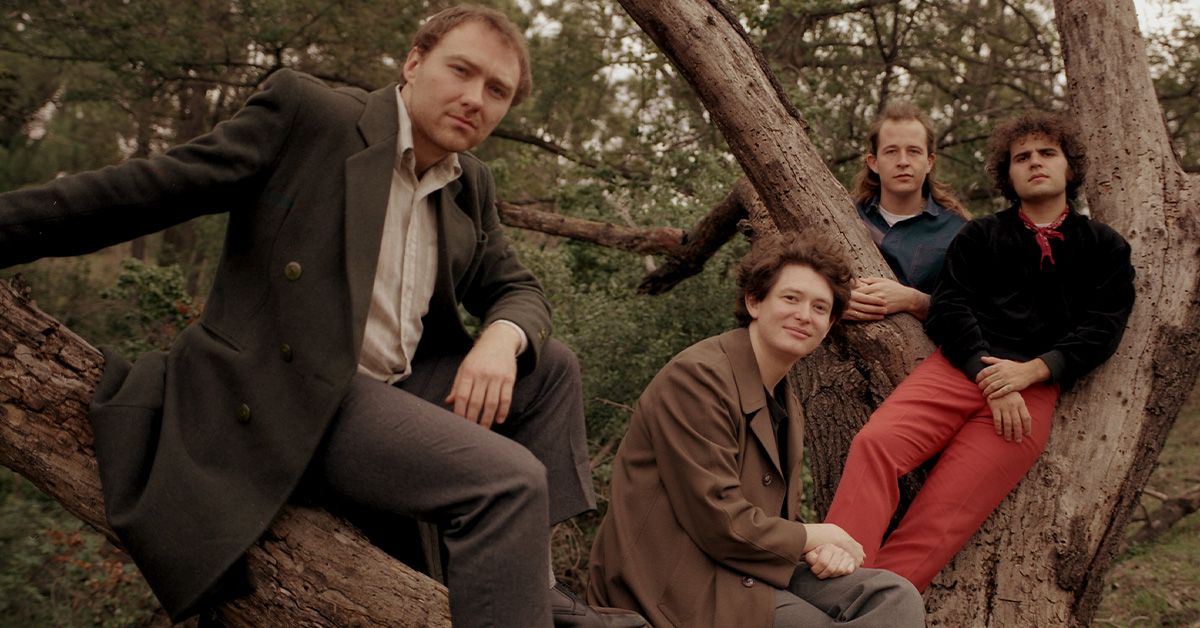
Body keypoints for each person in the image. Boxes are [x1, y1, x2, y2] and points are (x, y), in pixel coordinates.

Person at [0, 5, 644, 627]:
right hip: (294, 394)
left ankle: (533, 583)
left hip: (391, 396)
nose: (475, 98)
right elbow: (147, 190)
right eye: (461, 70)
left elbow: (518, 288)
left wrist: (502, 336)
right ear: (413, 63)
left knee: (548, 366)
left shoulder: (467, 183)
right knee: (509, 482)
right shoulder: (314, 119)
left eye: (497, 90)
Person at [824, 111, 1137, 591]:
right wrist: (992, 377)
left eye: (1047, 153)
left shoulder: (1104, 247)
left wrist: (1031, 373)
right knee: (875, 445)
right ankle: (833, 580)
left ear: (1070, 166)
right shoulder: (979, 235)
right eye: (1021, 157)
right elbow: (950, 308)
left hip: (1031, 395)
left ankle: (867, 608)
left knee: (943, 516)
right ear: (1007, 173)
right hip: (956, 370)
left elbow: (1103, 329)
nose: (1035, 163)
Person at [587, 235, 926, 628]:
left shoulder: (786, 399)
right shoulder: (697, 378)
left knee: (892, 596)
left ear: (830, 324)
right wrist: (814, 536)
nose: (804, 315)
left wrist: (819, 549)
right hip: (675, 581)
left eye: (820, 307)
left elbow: (768, 518)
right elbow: (718, 520)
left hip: (745, 568)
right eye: (791, 298)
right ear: (754, 302)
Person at [845, 102, 969, 322]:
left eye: (913, 151)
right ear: (873, 162)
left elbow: (976, 311)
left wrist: (914, 300)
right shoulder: (845, 215)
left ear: (929, 162)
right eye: (891, 151)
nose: (903, 162)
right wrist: (833, 302)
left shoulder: (959, 231)